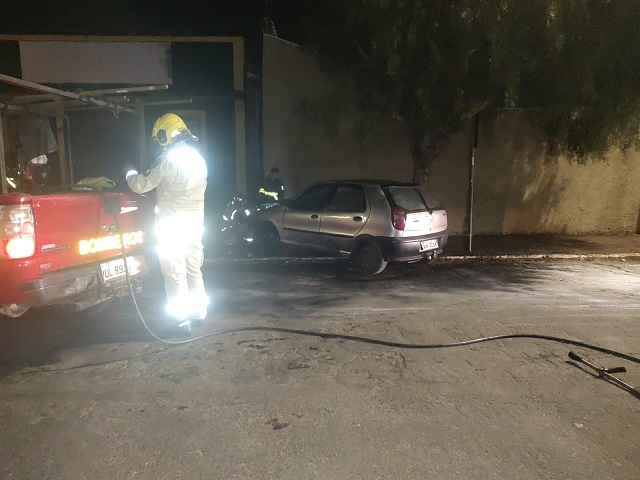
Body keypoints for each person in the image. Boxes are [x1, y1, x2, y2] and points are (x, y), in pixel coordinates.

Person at [125, 113, 208, 332]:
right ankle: (199, 314)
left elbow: (140, 185)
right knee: (194, 269)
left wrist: (129, 172)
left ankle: (181, 321)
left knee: (174, 273)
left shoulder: (167, 159)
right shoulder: (198, 158)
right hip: (195, 223)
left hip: (172, 224)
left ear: (166, 134)